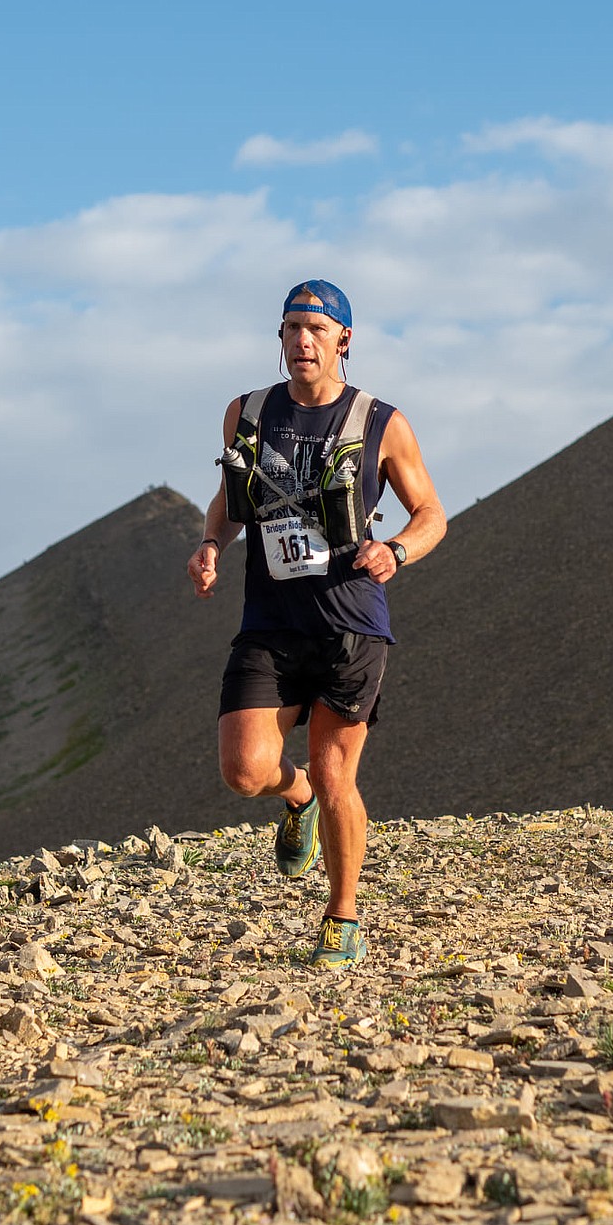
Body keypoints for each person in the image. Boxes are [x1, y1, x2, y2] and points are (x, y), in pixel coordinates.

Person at [187, 280, 446, 970]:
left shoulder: (381, 422)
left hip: (349, 623)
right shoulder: (247, 413)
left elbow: (431, 515)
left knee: (338, 775)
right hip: (270, 621)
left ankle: (343, 914)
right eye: (291, 327)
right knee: (244, 771)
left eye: (316, 329)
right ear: (279, 338)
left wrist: (395, 551)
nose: (303, 340)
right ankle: (292, 798)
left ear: (344, 341)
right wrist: (212, 545)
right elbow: (229, 499)